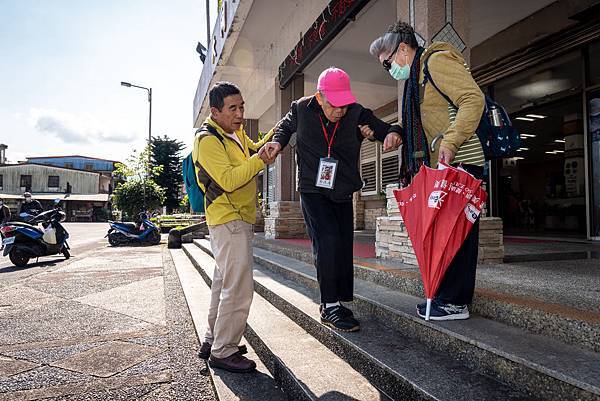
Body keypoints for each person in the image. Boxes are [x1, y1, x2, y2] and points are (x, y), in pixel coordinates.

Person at [262, 67, 402, 332]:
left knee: (342, 244)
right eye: (334, 105)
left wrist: (393, 135)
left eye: (344, 105)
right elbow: (284, 127)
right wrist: (277, 144)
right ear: (320, 97)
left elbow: (386, 128)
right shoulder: (302, 108)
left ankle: (338, 301)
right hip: (312, 190)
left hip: (342, 189)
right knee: (326, 240)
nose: (339, 111)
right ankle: (329, 306)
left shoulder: (356, 113)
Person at [369, 21, 485, 321]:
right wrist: (397, 131)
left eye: (388, 63)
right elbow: (421, 121)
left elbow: (473, 99)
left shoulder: (436, 61)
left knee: (457, 233)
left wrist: (451, 139)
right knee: (441, 233)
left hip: (458, 160)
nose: (390, 69)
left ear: (403, 50)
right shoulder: (416, 77)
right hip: (440, 164)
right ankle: (444, 296)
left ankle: (456, 301)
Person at [194, 82, 275, 373]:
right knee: (238, 288)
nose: (240, 114)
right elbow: (229, 179)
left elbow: (253, 149)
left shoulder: (234, 132)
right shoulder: (207, 141)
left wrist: (274, 134)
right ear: (215, 112)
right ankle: (224, 350)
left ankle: (214, 339)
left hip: (235, 218)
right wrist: (259, 160)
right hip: (228, 219)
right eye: (233, 109)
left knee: (223, 284)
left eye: (242, 107)